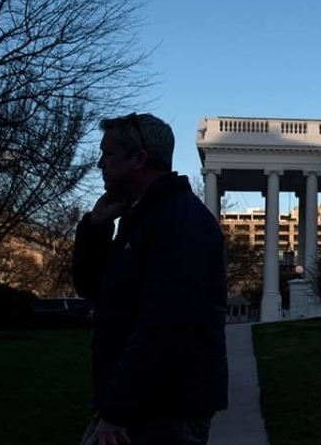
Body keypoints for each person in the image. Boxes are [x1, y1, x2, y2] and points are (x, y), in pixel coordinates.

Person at [73, 113, 228, 444]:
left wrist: (116, 412)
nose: (100, 163)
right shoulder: (139, 218)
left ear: (139, 159)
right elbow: (91, 288)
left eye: (108, 153)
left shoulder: (179, 221)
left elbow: (165, 327)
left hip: (166, 410)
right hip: (138, 405)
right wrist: (96, 227)